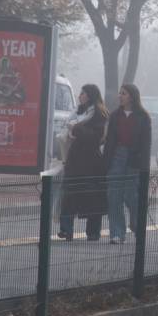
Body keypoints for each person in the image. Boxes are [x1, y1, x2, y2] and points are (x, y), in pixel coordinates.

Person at [57, 84, 108, 241]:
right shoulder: (77, 112)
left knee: (93, 198)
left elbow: (96, 137)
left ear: (91, 95)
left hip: (91, 162)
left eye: (83, 93)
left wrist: (77, 129)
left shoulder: (99, 114)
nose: (80, 96)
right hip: (74, 160)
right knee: (69, 195)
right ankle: (66, 230)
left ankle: (93, 232)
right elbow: (69, 129)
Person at [103, 83, 152, 244]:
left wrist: (144, 167)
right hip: (117, 157)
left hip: (134, 159)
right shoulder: (115, 115)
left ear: (131, 96)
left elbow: (146, 144)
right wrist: (106, 162)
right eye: (119, 93)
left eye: (123, 93)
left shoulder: (143, 117)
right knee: (114, 196)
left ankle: (137, 225)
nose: (120, 96)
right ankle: (117, 233)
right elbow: (110, 140)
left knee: (133, 196)